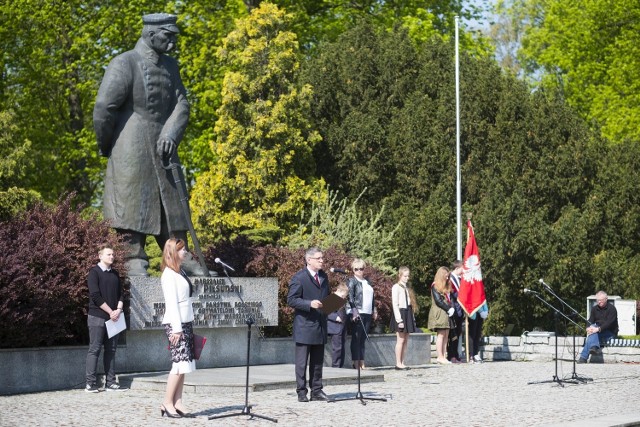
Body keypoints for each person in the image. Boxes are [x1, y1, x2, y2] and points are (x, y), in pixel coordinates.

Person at [93, 13, 205, 277]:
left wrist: (171, 133)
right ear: (151, 34)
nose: (172, 43)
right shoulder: (124, 62)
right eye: (168, 36)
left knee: (172, 204)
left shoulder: (171, 66)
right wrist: (109, 145)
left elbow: (182, 103)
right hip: (132, 144)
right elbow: (104, 107)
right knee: (133, 202)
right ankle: (132, 257)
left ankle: (179, 254)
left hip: (165, 145)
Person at [287, 247, 330, 402]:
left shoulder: (324, 276)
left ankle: (317, 390)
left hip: (320, 325)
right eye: (318, 258)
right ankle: (301, 392)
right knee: (301, 363)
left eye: (322, 258)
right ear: (309, 260)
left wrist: (336, 301)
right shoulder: (299, 278)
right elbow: (291, 299)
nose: (322, 260)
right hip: (305, 326)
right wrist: (309, 303)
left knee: (318, 362)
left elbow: (327, 299)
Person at [160, 238, 196, 418]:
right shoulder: (168, 275)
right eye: (182, 250)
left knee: (185, 365)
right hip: (176, 325)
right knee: (178, 364)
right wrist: (176, 329)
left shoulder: (180, 271)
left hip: (185, 323)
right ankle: (167, 402)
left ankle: (178, 401)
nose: (185, 253)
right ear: (174, 252)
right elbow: (172, 304)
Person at [85, 246, 126, 392]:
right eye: (109, 254)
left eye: (113, 254)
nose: (112, 256)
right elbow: (95, 296)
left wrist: (118, 310)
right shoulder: (94, 273)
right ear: (100, 256)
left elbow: (121, 294)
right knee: (95, 349)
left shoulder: (115, 274)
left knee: (111, 350)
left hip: (114, 318)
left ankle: (110, 383)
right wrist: (110, 312)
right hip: (97, 317)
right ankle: (90, 383)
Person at [346, 258, 378, 370]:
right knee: (356, 338)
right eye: (356, 269)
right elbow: (350, 297)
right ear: (353, 270)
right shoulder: (352, 281)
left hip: (367, 312)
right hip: (357, 312)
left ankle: (362, 362)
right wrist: (354, 310)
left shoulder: (367, 281)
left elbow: (372, 297)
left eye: (361, 268)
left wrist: (374, 309)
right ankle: (356, 362)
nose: (359, 271)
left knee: (363, 338)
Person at [577, 290, 618, 364]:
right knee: (592, 329)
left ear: (606, 299)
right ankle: (593, 347)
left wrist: (598, 329)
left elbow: (609, 323)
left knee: (591, 335)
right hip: (598, 330)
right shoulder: (594, 309)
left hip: (610, 332)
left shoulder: (612, 309)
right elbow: (590, 320)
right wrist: (588, 327)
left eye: (601, 300)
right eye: (598, 300)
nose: (599, 302)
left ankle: (583, 358)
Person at [389, 266, 417, 370]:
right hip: (401, 313)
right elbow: (395, 304)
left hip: (408, 312)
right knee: (400, 339)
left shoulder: (407, 288)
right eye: (405, 276)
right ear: (400, 275)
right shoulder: (396, 287)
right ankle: (398, 363)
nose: (407, 278)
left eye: (408, 276)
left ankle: (402, 361)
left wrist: (412, 317)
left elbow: (410, 304)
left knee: (406, 340)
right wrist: (399, 320)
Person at [428, 267, 454, 365]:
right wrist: (448, 309)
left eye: (448, 276)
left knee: (446, 335)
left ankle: (444, 355)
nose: (447, 279)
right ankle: (440, 356)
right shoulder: (435, 286)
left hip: (446, 313)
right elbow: (438, 301)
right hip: (439, 312)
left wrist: (450, 308)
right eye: (445, 276)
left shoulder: (445, 286)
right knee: (441, 334)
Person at [447, 260, 464, 363]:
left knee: (458, 333)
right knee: (452, 334)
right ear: (457, 268)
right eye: (462, 269)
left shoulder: (461, 279)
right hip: (453, 309)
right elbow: (452, 293)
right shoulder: (450, 279)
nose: (463, 271)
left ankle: (456, 354)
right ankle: (451, 355)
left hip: (460, 310)